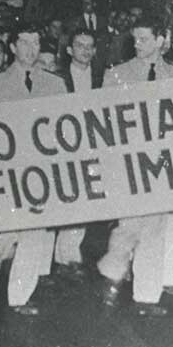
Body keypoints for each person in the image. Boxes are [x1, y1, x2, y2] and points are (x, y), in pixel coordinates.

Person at [98, 18, 173, 317]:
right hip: (128, 164)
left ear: (162, 40)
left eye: (145, 39)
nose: (138, 45)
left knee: (155, 230)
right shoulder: (116, 75)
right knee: (129, 226)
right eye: (135, 39)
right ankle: (112, 272)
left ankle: (147, 298)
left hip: (162, 165)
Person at [0, 23, 67, 315]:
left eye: (36, 43)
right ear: (13, 48)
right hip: (5, 172)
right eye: (25, 43)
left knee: (34, 234)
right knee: (0, 241)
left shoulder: (56, 84)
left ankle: (20, 296)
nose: (31, 50)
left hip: (39, 173)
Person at [53, 28, 103, 281]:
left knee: (84, 202)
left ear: (94, 51)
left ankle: (68, 257)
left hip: (91, 145)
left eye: (89, 46)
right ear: (69, 50)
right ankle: (60, 258)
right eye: (79, 45)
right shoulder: (57, 78)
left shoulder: (103, 77)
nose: (84, 50)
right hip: (63, 145)